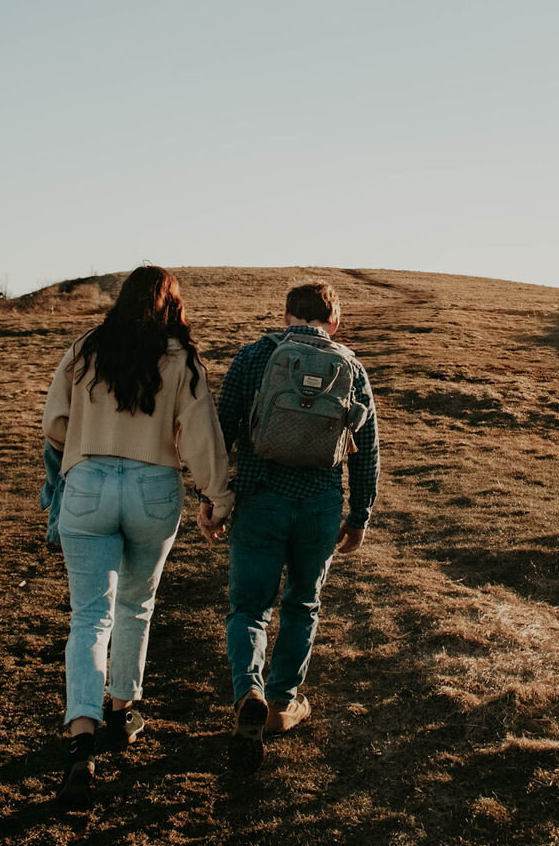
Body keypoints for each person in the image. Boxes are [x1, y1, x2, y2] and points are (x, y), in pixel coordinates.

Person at [42, 265, 233, 808]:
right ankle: (124, 710)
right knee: (136, 604)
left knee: (88, 615)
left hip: (87, 486)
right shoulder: (180, 359)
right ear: (170, 303)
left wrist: (88, 439)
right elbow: (200, 435)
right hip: (152, 486)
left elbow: (54, 423)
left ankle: (81, 732)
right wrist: (217, 498)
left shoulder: (86, 348)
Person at [199, 280, 379, 772]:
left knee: (249, 606)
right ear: (334, 322)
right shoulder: (351, 365)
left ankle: (248, 692)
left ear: (286, 317)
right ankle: (281, 704)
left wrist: (212, 499)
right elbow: (368, 452)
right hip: (319, 503)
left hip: (259, 498)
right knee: (302, 603)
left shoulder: (255, 357)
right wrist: (359, 516)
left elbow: (222, 428)